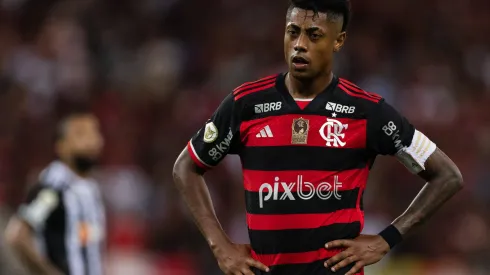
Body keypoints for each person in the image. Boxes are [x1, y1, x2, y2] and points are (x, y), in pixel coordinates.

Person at [172, 0, 464, 274]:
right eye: (293, 32)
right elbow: (186, 166)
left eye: (314, 35)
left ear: (338, 41)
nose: (300, 45)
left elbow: (447, 175)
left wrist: (386, 239)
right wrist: (219, 245)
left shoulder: (366, 111)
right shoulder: (246, 105)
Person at [4, 112, 106, 275]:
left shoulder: (90, 189)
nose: (90, 141)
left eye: (94, 132)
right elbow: (17, 236)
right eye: (80, 134)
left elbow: (88, 246)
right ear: (61, 146)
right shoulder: (55, 187)